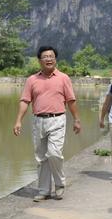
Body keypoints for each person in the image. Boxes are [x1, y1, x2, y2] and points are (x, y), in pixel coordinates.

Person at [13, 46, 81, 202]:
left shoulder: (63, 78)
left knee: (54, 153)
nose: (49, 59)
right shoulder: (32, 80)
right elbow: (25, 101)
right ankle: (44, 190)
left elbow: (71, 100)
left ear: (55, 59)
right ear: (39, 60)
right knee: (41, 158)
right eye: (45, 56)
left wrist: (76, 119)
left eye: (51, 56)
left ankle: (59, 184)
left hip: (57, 119)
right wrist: (18, 121)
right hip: (38, 120)